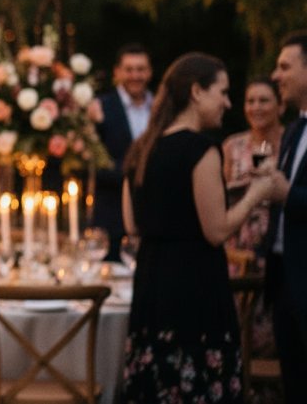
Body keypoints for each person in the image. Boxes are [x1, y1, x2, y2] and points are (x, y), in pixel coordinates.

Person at [120, 53, 273, 403]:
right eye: (222, 92)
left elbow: (133, 223)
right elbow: (216, 231)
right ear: (196, 92)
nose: (228, 103)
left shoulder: (141, 148)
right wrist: (255, 195)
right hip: (194, 289)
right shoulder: (200, 149)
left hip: (151, 288)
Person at [264, 30, 307, 403]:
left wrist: (288, 194)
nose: (276, 76)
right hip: (284, 284)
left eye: (284, 66)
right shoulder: (294, 130)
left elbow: (289, 194)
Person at [94, 43, 154, 261]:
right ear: (117, 72)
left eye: (141, 69)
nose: (135, 75)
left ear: (149, 72)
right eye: (129, 69)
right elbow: (93, 164)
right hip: (113, 218)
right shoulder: (100, 107)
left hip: (154, 218)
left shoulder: (159, 108)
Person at [222, 78, 283, 274]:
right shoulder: (232, 147)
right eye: (250, 101)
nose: (256, 107)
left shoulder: (291, 144)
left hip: (279, 250)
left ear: (280, 107)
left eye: (263, 101)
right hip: (237, 253)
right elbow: (220, 200)